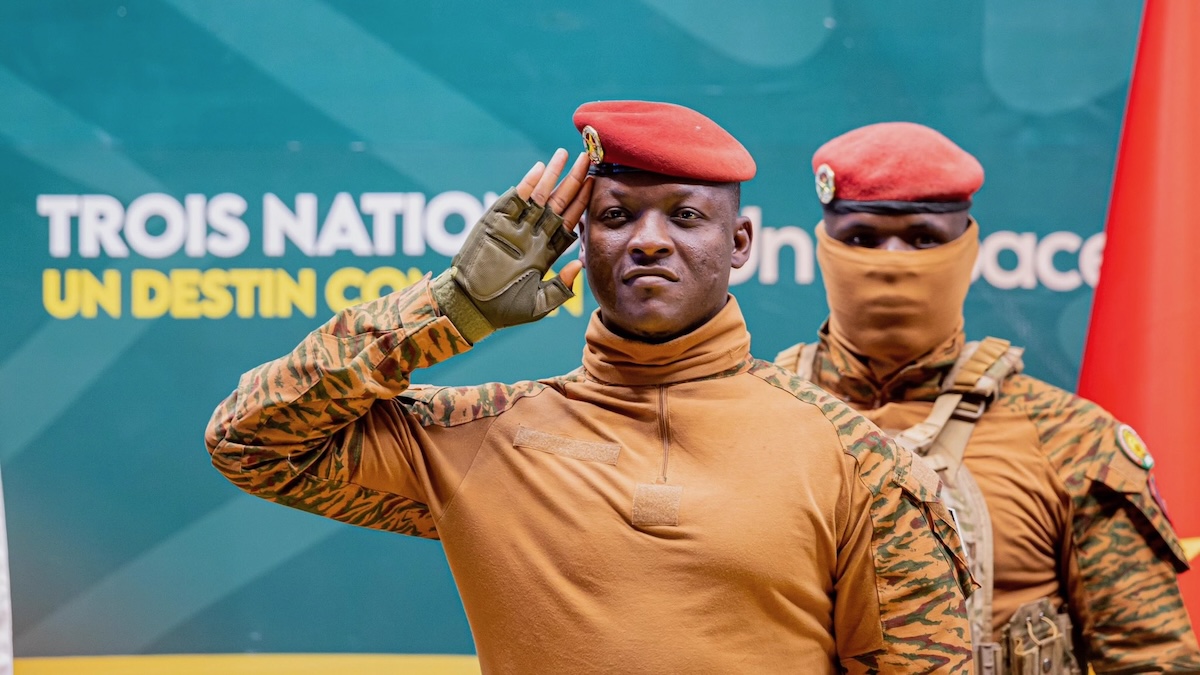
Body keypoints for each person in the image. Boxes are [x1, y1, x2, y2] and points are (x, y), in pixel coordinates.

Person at [206, 102, 972, 673]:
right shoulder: (487, 434)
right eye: (614, 215)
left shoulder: (853, 457)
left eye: (685, 215)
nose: (646, 239)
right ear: (580, 240)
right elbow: (250, 441)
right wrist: (450, 310)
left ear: (739, 242)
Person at [775, 121, 1200, 673]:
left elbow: (1151, 660)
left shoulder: (1069, 439)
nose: (893, 260)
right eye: (862, 239)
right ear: (825, 244)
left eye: (924, 238)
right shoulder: (754, 415)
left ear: (968, 247)